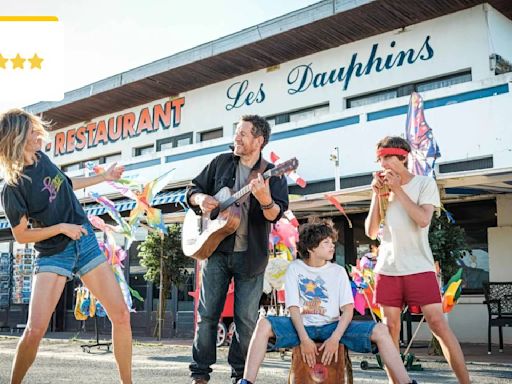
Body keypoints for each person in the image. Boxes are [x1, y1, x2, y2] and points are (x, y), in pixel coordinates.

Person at [0, 109, 132, 384]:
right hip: (53, 252)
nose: (39, 134)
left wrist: (106, 176)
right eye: (32, 130)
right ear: (16, 138)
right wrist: (61, 228)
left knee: (120, 315)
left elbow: (67, 184)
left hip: (83, 242)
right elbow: (22, 235)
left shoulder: (42, 160)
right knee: (35, 329)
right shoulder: (12, 187)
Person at [238, 221, 418, 384]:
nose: (332, 246)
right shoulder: (295, 268)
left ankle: (406, 382)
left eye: (332, 242)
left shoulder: (338, 271)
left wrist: (335, 338)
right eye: (326, 243)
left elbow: (348, 310)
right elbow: (293, 308)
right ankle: (247, 381)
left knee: (381, 330)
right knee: (263, 324)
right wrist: (304, 339)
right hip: (301, 326)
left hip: (333, 326)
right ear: (311, 248)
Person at [186, 114, 289, 384]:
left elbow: (275, 214)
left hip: (251, 257)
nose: (236, 137)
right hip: (216, 251)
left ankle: (239, 376)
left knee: (245, 321)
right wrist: (201, 198)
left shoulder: (273, 174)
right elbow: (192, 189)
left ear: (259, 140)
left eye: (243, 133)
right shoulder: (221, 162)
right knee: (207, 315)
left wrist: (265, 200)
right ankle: (200, 374)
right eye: (236, 132)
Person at [365, 136, 470, 384]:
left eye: (388, 157)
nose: (384, 164)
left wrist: (398, 189)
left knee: (438, 324)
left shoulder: (424, 183)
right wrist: (376, 196)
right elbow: (371, 231)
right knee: (390, 330)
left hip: (419, 267)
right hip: (388, 269)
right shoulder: (383, 188)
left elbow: (423, 219)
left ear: (404, 157)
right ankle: (397, 382)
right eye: (380, 159)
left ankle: (466, 382)